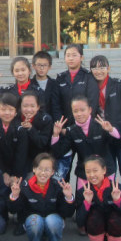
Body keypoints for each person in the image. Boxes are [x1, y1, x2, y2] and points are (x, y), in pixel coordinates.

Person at [85, 55, 121, 220]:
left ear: (108, 68)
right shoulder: (90, 87)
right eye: (95, 68)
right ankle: (111, 204)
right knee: (109, 173)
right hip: (104, 138)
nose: (99, 71)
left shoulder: (119, 85)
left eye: (102, 67)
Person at [7, 153, 75, 241]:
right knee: (35, 222)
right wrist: (15, 196)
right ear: (34, 169)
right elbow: (13, 210)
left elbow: (68, 213)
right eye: (40, 169)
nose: (43, 173)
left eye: (47, 170)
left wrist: (68, 197)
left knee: (52, 221)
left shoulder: (58, 186)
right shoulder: (25, 186)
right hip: (33, 220)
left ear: (52, 172)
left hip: (53, 220)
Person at [75, 155, 121, 241]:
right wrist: (86, 202)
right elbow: (79, 221)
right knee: (94, 216)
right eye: (88, 172)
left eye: (95, 170)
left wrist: (118, 200)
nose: (92, 175)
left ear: (104, 170)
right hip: (95, 230)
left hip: (114, 229)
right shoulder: (83, 191)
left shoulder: (118, 188)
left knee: (116, 217)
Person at [52, 44, 90, 178]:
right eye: (68, 55)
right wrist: (61, 126)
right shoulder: (60, 78)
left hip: (83, 130)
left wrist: (83, 126)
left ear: (81, 57)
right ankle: (65, 192)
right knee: (63, 170)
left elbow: (92, 103)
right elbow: (56, 104)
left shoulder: (88, 77)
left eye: (74, 55)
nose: (71, 58)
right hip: (65, 130)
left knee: (86, 167)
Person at [19, 90, 54, 167]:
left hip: (39, 159)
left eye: (32, 106)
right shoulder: (15, 118)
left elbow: (42, 143)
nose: (29, 109)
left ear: (38, 107)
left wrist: (30, 128)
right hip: (19, 159)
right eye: (25, 106)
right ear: (20, 106)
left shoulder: (46, 120)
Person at [31, 50, 59, 118]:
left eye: (45, 65)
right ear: (33, 66)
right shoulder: (30, 84)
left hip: (51, 121)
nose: (42, 68)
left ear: (50, 67)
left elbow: (57, 106)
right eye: (39, 65)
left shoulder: (55, 84)